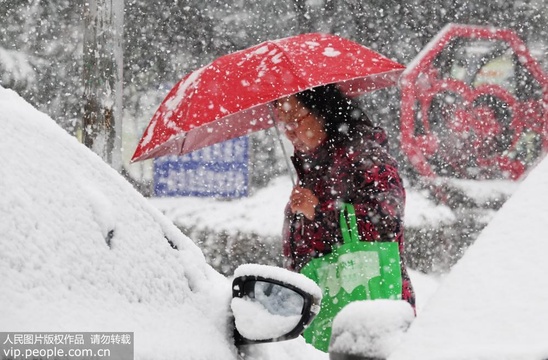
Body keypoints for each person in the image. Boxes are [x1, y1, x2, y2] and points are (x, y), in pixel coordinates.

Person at [274, 84, 415, 308]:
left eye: (295, 119)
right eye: (283, 122)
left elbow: (386, 223)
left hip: (372, 310)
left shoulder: (365, 157)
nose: (289, 131)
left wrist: (319, 212)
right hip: (326, 310)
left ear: (322, 111)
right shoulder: (313, 169)